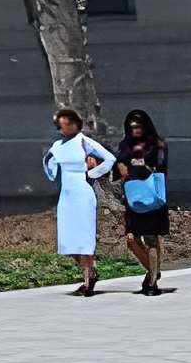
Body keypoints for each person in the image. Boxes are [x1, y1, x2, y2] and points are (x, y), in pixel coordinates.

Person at [44, 107, 117, 295]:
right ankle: (91, 272)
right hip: (66, 195)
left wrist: (91, 173)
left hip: (83, 192)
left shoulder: (84, 142)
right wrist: (51, 168)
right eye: (62, 125)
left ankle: (87, 282)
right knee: (68, 240)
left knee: (84, 238)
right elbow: (49, 163)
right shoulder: (57, 146)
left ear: (77, 123)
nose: (66, 128)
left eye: (69, 123)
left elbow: (110, 159)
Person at [118, 108, 171, 295]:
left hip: (152, 199)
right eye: (132, 126)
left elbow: (160, 169)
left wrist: (141, 163)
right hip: (133, 200)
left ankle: (151, 283)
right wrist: (121, 167)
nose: (135, 130)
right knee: (131, 240)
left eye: (139, 126)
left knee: (152, 240)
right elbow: (118, 171)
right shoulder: (125, 146)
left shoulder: (156, 145)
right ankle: (153, 271)